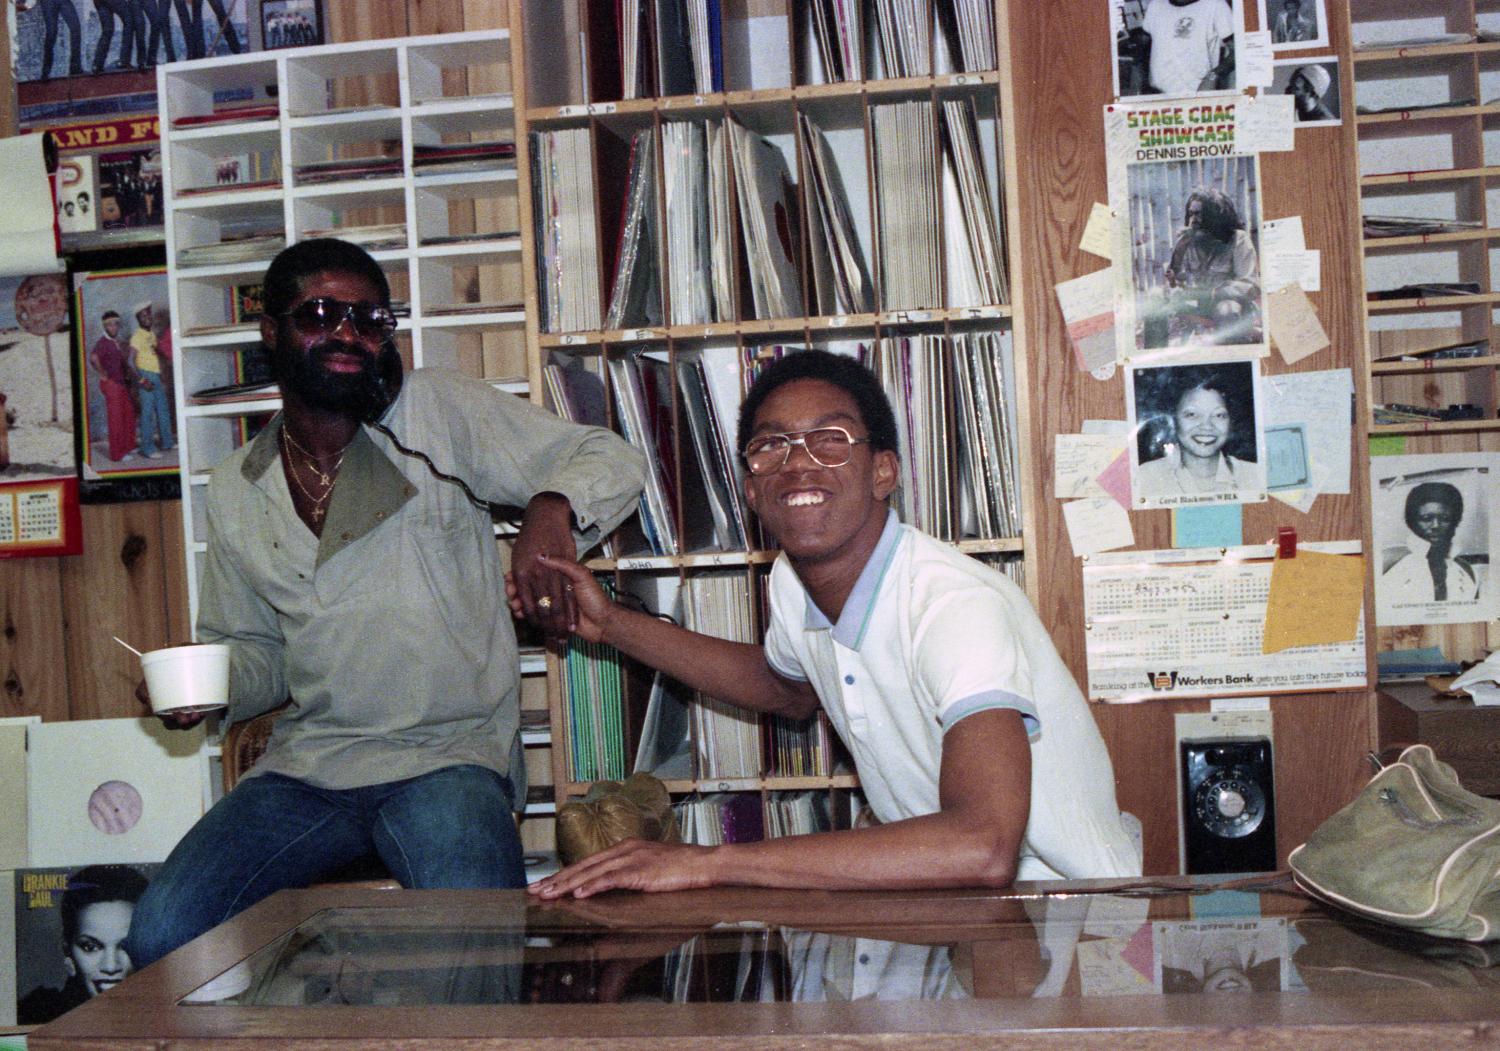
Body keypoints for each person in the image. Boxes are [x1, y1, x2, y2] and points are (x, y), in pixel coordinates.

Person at [127, 238, 646, 968]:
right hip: (311, 767)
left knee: (477, 936)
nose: (347, 334)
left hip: (449, 755)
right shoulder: (239, 486)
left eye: (369, 320)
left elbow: (614, 459)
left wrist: (549, 508)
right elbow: (261, 659)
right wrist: (199, 691)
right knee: (163, 932)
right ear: (271, 332)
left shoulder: (433, 411)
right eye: (320, 313)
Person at [528, 350, 1139, 901]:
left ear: (883, 472)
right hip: (953, 903)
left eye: (831, 439)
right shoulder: (794, 581)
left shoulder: (953, 603)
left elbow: (983, 846)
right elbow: (786, 689)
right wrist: (608, 622)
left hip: (1068, 912)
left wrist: (711, 863)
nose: (798, 465)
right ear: (749, 488)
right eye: (772, 446)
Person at [18, 866, 149, 1025]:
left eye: (127, 946)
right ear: (68, 953)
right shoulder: (32, 1017)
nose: (110, 966)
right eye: (90, 947)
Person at [1135, 370, 1258, 499]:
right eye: (1192, 414)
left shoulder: (1255, 475)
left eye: (1218, 415)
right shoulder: (1145, 478)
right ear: (1173, 420)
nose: (1207, 426)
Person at [1162, 188, 1261, 345]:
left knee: (1227, 309)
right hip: (1197, 305)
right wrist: (1176, 287)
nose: (1193, 220)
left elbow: (1249, 284)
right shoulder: (1187, 241)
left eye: (1199, 214)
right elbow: (1176, 279)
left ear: (1216, 216)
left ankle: (1232, 360)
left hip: (1231, 306)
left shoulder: (1238, 239)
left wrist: (1214, 294)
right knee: (1156, 304)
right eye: (1191, 213)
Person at [1381, 482, 1480, 603]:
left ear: (1455, 521)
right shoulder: (1387, 562)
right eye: (1427, 518)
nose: (1435, 525)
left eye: (1445, 519)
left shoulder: (1468, 572)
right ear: (1412, 521)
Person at [1140, 0, 1235, 97]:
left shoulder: (1215, 4)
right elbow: (1143, 47)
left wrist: (1213, 76)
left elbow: (1238, 51)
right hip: (1157, 95)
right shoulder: (1156, 5)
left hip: (1195, 95)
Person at [89, 309, 140, 463]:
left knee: (128, 414)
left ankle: (128, 446)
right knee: (116, 419)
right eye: (110, 325)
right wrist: (102, 373)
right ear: (105, 327)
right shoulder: (102, 343)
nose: (114, 328)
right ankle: (117, 454)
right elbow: (93, 357)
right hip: (111, 384)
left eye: (116, 325)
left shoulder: (115, 342)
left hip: (121, 383)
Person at [129, 301, 173, 459]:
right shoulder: (137, 336)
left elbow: (155, 355)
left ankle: (167, 442)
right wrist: (141, 380)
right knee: (147, 413)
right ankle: (146, 448)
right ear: (138, 319)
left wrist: (161, 375)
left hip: (156, 375)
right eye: (143, 316)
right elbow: (130, 361)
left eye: (148, 314)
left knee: (162, 409)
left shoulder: (151, 334)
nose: (147, 318)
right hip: (145, 376)